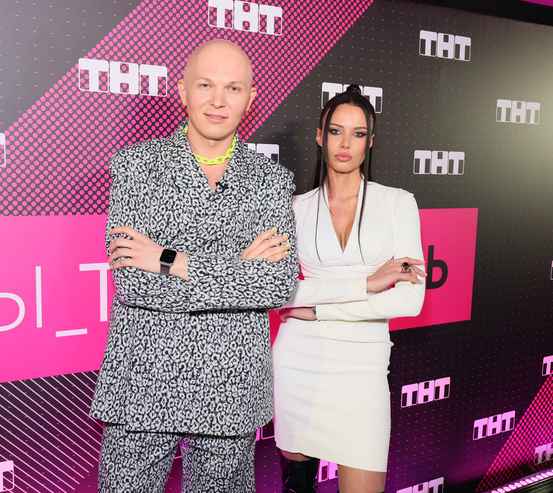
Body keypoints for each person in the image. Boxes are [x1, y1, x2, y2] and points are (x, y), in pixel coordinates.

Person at [89, 39, 299, 493]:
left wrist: (169, 259)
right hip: (144, 379)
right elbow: (134, 283)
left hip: (232, 385)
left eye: (233, 88)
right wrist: (239, 268)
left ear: (250, 97)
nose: (218, 101)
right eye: (205, 85)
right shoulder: (136, 166)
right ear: (183, 90)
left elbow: (277, 285)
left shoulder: (271, 180)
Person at [272, 85, 426, 493]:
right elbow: (279, 292)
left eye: (358, 134)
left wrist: (320, 308)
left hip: (364, 364)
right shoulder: (294, 208)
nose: (345, 144)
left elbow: (410, 299)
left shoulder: (398, 204)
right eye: (335, 131)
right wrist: (368, 284)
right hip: (298, 361)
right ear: (319, 136)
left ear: (370, 141)